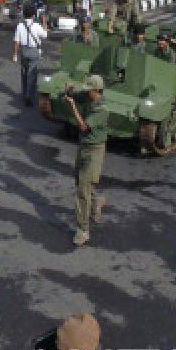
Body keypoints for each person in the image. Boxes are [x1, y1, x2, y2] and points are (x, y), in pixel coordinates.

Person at [65, 75, 109, 248]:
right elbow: (72, 95)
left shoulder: (103, 109)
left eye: (88, 89)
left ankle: (83, 230)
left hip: (94, 150)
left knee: (83, 188)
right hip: (84, 146)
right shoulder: (88, 97)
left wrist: (72, 107)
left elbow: (83, 126)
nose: (85, 92)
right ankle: (96, 202)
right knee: (81, 182)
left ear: (96, 91)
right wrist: (68, 90)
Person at [13, 7, 49, 107]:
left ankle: (25, 94)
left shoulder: (20, 25)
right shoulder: (37, 25)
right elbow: (45, 35)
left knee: (24, 73)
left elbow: (16, 41)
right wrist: (45, 22)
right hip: (34, 52)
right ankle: (29, 96)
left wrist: (15, 54)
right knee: (32, 75)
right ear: (33, 15)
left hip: (24, 51)